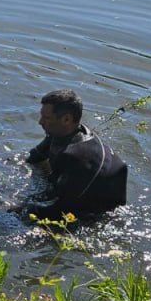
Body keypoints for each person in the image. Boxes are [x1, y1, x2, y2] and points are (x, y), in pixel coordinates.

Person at [26, 88, 127, 216]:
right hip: (74, 188)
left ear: (67, 120)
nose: (40, 122)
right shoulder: (61, 132)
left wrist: (20, 208)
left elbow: (60, 209)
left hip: (95, 212)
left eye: (47, 118)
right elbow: (34, 159)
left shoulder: (76, 157)